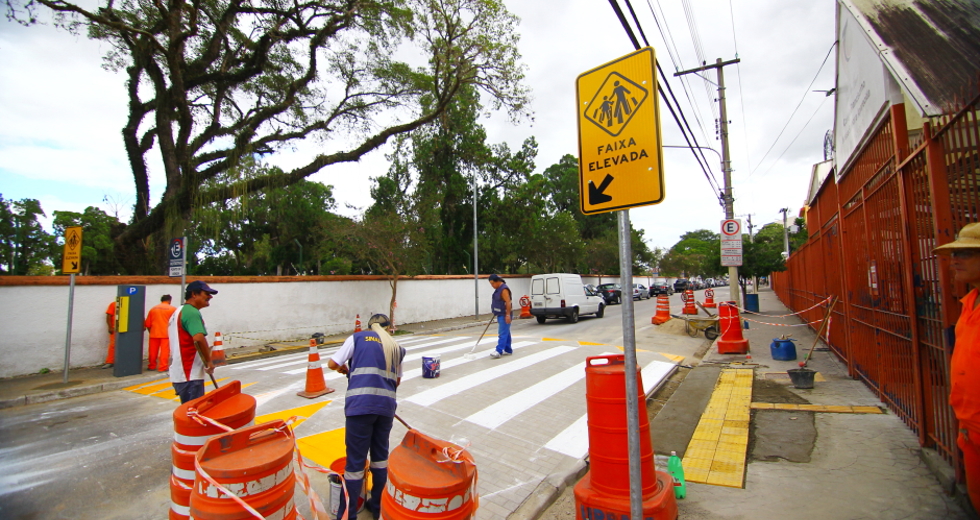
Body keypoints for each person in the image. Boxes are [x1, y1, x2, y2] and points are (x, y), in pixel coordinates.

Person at [327, 314, 405, 520]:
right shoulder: (396, 347)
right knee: (380, 460)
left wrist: (346, 369)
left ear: (370, 327)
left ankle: (348, 515)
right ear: (389, 328)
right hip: (385, 408)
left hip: (360, 408)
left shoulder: (358, 338)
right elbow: (396, 381)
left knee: (355, 464)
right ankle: (378, 508)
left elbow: (332, 363)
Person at [936, 222, 980, 512]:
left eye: (965, 254)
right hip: (969, 424)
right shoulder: (969, 303)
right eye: (954, 254)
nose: (954, 261)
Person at [168, 281, 217, 403]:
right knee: (193, 412)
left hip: (181, 373)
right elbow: (198, 338)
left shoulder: (179, 311)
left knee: (189, 410)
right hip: (189, 374)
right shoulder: (191, 312)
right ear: (194, 294)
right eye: (206, 294)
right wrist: (208, 361)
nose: (210, 297)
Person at [145, 295, 176, 372]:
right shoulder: (173, 309)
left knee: (152, 352)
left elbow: (148, 324)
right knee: (164, 352)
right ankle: (163, 367)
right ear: (169, 300)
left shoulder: (153, 309)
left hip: (154, 333)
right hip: (166, 334)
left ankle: (152, 366)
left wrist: (151, 332)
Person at [488, 274, 512, 359]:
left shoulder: (504, 289)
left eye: (493, 283)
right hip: (500, 313)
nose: (492, 285)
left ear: (498, 281)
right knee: (506, 332)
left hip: (504, 314)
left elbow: (508, 302)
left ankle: (499, 350)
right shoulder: (498, 289)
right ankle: (508, 349)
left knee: (502, 333)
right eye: (491, 284)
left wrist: (508, 315)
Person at [102, 300, 117, 369]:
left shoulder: (132, 305)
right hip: (115, 329)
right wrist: (110, 327)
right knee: (113, 345)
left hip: (127, 329)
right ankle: (110, 362)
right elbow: (109, 315)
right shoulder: (114, 304)